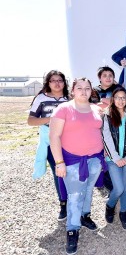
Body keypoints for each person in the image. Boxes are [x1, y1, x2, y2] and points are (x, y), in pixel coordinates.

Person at [50, 77, 106, 255]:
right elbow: (54, 137)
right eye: (79, 88)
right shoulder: (63, 109)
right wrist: (59, 162)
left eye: (87, 88)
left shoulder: (96, 109)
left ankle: (85, 215)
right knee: (75, 195)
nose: (83, 91)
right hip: (73, 161)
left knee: (89, 189)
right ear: (73, 90)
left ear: (92, 91)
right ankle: (72, 229)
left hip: (95, 159)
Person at [28, 70, 69, 221]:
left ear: (64, 83)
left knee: (72, 172)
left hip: (70, 141)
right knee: (58, 171)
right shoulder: (41, 98)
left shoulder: (69, 98)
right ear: (48, 83)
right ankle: (63, 204)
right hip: (51, 141)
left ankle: (75, 203)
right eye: (53, 80)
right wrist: (50, 119)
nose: (57, 83)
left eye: (60, 80)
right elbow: (30, 121)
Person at [102, 87, 126, 230]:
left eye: (123, 98)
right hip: (113, 159)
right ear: (113, 100)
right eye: (118, 97)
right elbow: (106, 138)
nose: (121, 100)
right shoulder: (107, 116)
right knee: (119, 188)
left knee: (125, 186)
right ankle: (110, 205)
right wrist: (115, 158)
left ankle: (123, 212)